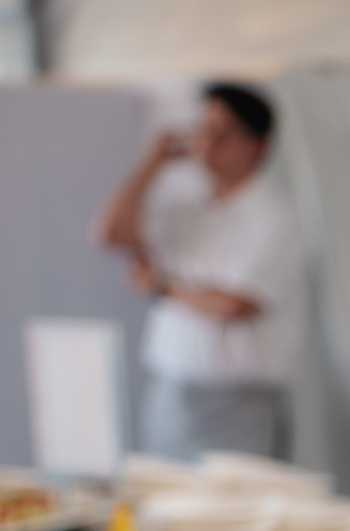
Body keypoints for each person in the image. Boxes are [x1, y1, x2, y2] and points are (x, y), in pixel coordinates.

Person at [94, 83, 304, 463]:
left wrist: (161, 287)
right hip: (173, 388)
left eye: (222, 133)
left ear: (257, 146)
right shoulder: (186, 209)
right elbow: (109, 233)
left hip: (239, 401)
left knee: (238, 510)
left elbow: (235, 305)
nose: (207, 141)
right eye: (202, 128)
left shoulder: (272, 216)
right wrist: (152, 162)